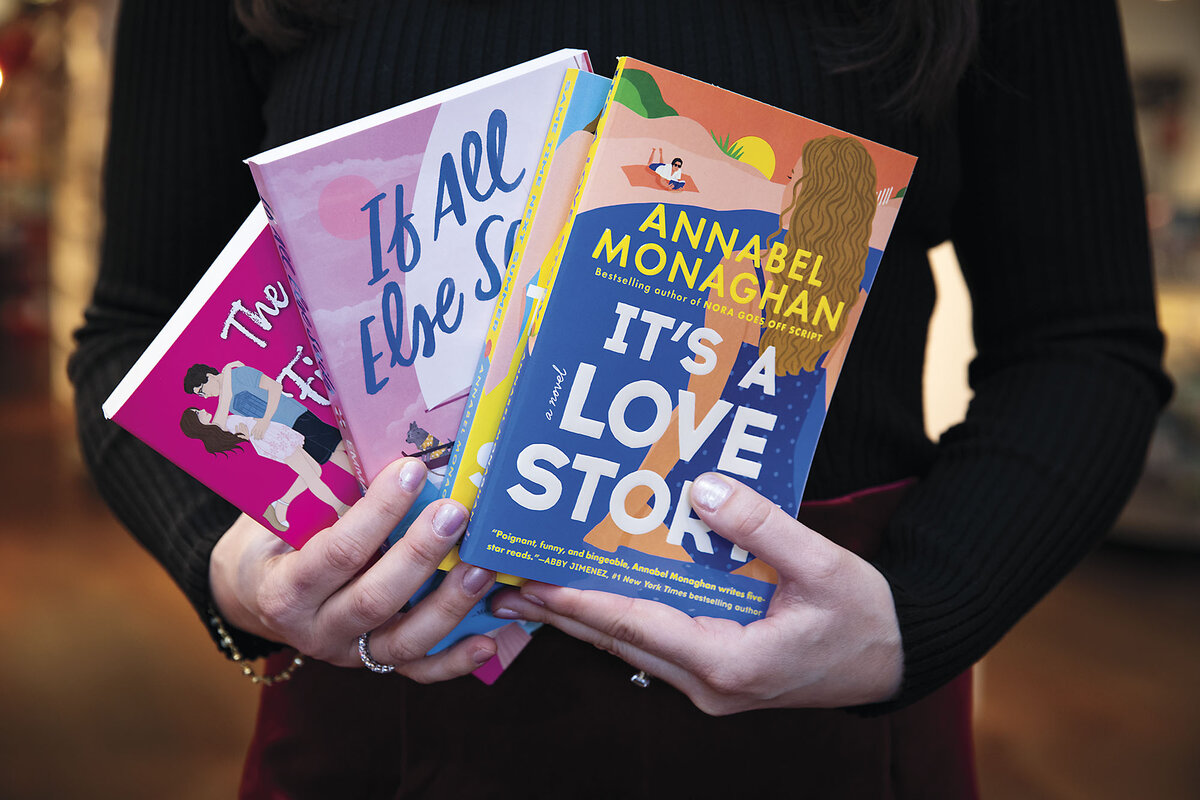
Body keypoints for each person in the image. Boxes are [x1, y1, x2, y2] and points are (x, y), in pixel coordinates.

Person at [69, 1, 1170, 797]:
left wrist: (916, 617)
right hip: (380, 697)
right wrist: (232, 568)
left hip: (821, 720)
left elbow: (1083, 341)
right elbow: (131, 326)